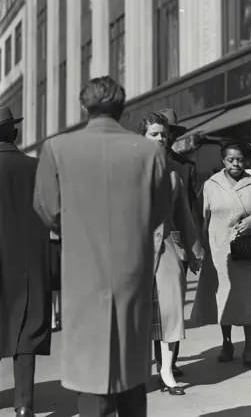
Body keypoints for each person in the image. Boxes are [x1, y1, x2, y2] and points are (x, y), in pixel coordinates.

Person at [33, 77, 171, 417]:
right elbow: (160, 212)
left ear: (85, 106)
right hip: (133, 269)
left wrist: (76, 229)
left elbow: (47, 210)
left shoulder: (56, 148)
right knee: (132, 371)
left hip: (82, 271)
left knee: (92, 377)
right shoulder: (150, 151)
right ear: (123, 109)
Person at [190, 144, 251, 368]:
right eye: (230, 160)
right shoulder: (210, 186)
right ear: (223, 161)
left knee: (250, 299)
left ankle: (249, 348)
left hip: (247, 251)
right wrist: (198, 247)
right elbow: (200, 218)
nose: (235, 163)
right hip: (220, 251)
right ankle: (226, 342)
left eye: (239, 159)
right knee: (224, 300)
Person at [137, 112, 201, 396]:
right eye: (154, 133)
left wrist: (195, 251)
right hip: (134, 252)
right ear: (142, 137)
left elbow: (184, 217)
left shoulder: (174, 176)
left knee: (171, 313)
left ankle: (166, 372)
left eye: (163, 134)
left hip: (166, 250)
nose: (161, 138)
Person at [0, 106, 51, 417]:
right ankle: (24, 404)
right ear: (15, 133)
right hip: (26, 260)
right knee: (25, 330)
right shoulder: (36, 167)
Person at [156, 108, 204, 378]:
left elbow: (190, 210)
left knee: (173, 305)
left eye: (170, 133)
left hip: (178, 244)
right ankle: (160, 361)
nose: (167, 137)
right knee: (156, 307)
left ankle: (169, 362)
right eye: (163, 132)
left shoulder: (185, 167)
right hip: (151, 244)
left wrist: (197, 247)